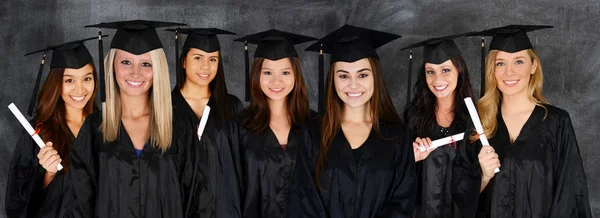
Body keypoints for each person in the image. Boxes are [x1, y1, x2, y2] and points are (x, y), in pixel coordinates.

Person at [65, 20, 203, 218]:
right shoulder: (95, 128)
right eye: (126, 62)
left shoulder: (180, 126)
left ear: (158, 69)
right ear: (112, 65)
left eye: (146, 64)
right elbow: (79, 203)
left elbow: (195, 200)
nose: (135, 73)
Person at [293, 24, 417, 218]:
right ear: (332, 80)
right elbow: (304, 200)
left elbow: (403, 202)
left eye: (362, 74)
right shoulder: (313, 133)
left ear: (375, 77)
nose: (353, 84)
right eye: (343, 76)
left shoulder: (398, 136)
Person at [473, 25, 592, 218]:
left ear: (533, 66)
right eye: (500, 63)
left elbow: (570, 192)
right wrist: (483, 177)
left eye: (518, 62)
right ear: (492, 69)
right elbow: (457, 196)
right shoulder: (479, 123)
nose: (509, 72)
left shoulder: (556, 122)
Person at [5, 37, 99, 218]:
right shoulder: (38, 131)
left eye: (87, 78)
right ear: (56, 84)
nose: (80, 90)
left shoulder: (105, 127)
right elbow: (18, 199)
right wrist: (47, 174)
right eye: (69, 80)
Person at [229, 29, 316, 217]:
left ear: (296, 76)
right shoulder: (239, 128)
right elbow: (231, 193)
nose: (276, 81)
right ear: (256, 75)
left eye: (285, 72)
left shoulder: (316, 125)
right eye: (267, 72)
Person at [401, 33, 482, 218]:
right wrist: (410, 159)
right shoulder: (412, 116)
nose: (437, 79)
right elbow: (399, 175)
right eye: (431, 71)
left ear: (459, 71)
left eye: (445, 70)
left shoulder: (475, 119)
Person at [166, 27, 244, 217]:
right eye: (198, 58)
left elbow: (241, 165)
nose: (206, 66)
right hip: (179, 209)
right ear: (184, 61)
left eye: (213, 59)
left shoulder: (231, 107)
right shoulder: (165, 107)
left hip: (225, 210)